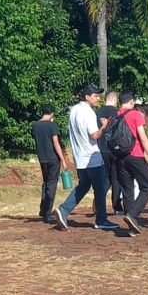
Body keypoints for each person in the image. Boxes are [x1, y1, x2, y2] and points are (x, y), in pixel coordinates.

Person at [53, 84, 119, 231]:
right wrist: (104, 126)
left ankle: (64, 210)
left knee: (84, 185)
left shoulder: (74, 110)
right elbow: (94, 135)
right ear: (87, 96)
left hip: (80, 157)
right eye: (95, 95)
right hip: (92, 156)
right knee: (100, 188)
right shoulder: (88, 112)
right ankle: (101, 219)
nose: (98, 98)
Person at [115, 90, 148, 235]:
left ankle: (131, 225)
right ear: (132, 101)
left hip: (119, 157)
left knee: (128, 191)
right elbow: (143, 137)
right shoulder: (135, 114)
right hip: (135, 155)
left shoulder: (114, 116)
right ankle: (133, 215)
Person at [32, 104, 70, 222]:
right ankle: (47, 213)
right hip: (53, 158)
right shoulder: (52, 125)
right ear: (52, 113)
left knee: (46, 182)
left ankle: (43, 209)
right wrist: (63, 159)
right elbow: (56, 143)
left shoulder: (36, 125)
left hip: (42, 157)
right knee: (52, 184)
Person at [95, 91, 122, 215]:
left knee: (106, 177)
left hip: (101, 148)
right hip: (114, 149)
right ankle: (117, 206)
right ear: (115, 100)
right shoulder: (117, 113)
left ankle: (99, 198)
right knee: (116, 177)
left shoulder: (96, 113)